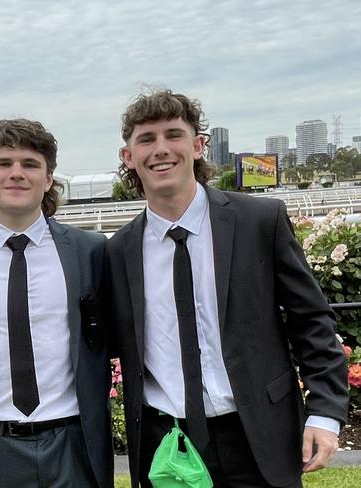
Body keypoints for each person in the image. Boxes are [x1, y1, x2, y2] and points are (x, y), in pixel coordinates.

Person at [104, 89, 348, 488]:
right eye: (146, 139)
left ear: (199, 145)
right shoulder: (117, 251)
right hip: (165, 444)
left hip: (258, 438)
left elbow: (311, 321)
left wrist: (324, 412)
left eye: (173, 135)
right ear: (128, 157)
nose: (161, 149)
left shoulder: (259, 221)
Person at [0, 119, 113, 488]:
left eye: (30, 164)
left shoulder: (91, 252)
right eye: (4, 163)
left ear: (48, 179)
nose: (17, 174)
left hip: (73, 445)